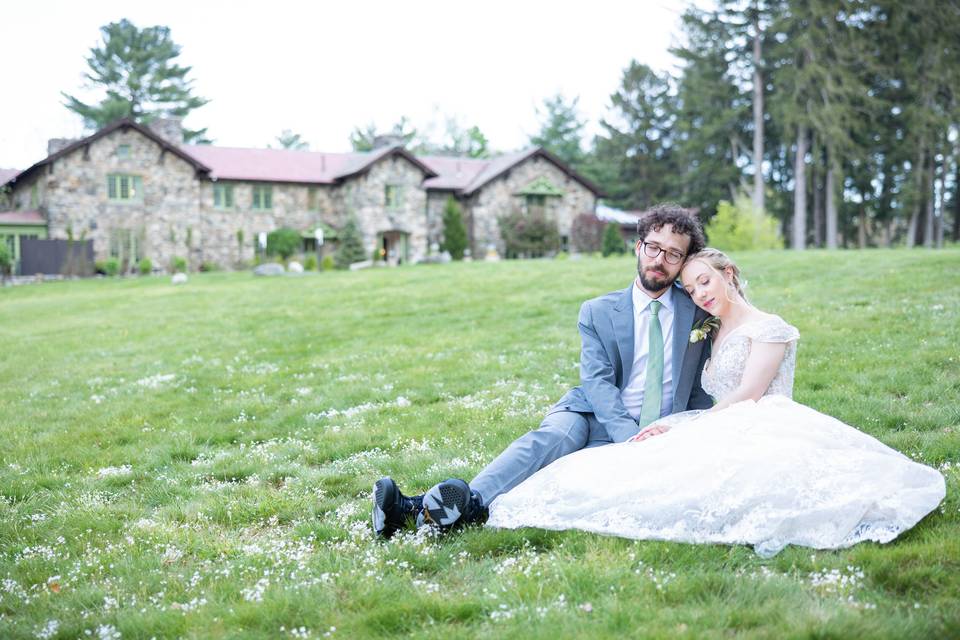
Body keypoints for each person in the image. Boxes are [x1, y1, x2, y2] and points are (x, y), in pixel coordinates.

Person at [486, 248, 946, 557]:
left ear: (729, 274)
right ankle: (485, 497)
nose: (700, 294)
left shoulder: (770, 327)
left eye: (706, 281)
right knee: (633, 473)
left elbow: (748, 394)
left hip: (763, 422)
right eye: (691, 289)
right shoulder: (711, 330)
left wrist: (688, 427)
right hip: (721, 421)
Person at [372, 204, 714, 538]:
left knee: (558, 482)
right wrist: (629, 436)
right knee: (554, 439)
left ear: (684, 263)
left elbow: (700, 387)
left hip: (659, 430)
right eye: (653, 247)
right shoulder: (598, 311)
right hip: (590, 414)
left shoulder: (698, 310)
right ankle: (471, 502)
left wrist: (677, 431)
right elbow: (596, 382)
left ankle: (413, 509)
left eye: (673, 254)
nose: (659, 260)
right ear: (638, 247)